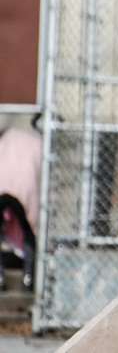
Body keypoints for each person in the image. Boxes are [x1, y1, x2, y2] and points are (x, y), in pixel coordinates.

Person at [0, 124, 40, 292]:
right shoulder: (34, 141)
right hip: (27, 189)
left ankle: (0, 276)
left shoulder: (7, 139)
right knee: (28, 231)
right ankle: (28, 277)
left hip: (3, 185)